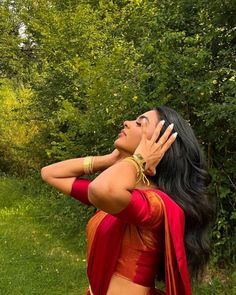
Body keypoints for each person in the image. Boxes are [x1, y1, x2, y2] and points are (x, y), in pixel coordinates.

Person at [41, 106, 215, 295]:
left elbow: (100, 189)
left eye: (140, 123)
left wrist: (139, 160)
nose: (127, 122)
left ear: (159, 145)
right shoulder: (122, 196)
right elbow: (50, 174)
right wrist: (109, 159)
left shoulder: (155, 204)